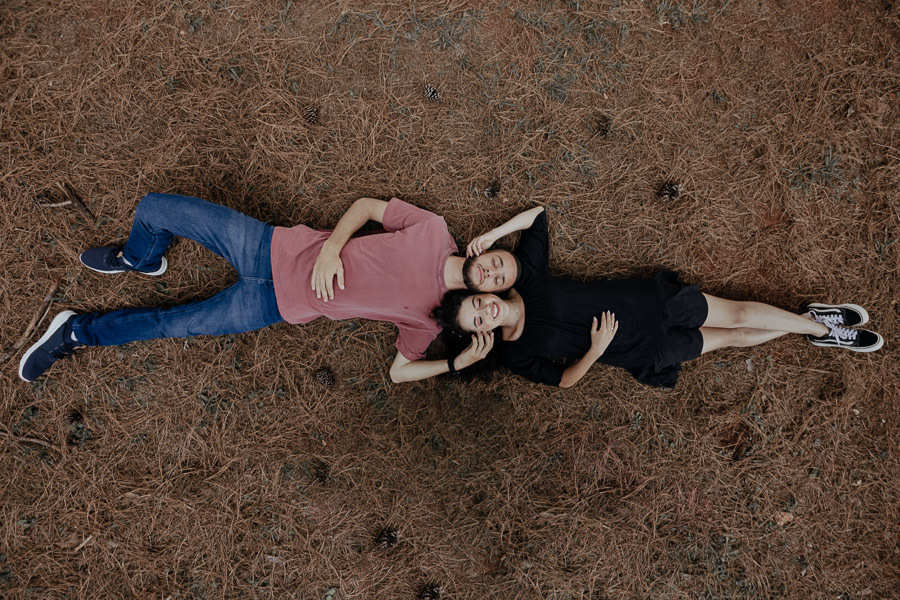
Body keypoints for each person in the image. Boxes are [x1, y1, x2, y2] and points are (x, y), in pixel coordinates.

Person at [18, 193, 543, 383]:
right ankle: (140, 257)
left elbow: (399, 372)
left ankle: (75, 333)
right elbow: (365, 206)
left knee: (170, 324)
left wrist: (456, 365)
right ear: (485, 254)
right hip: (270, 247)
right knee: (155, 208)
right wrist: (335, 247)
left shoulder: (428, 322)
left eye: (497, 292)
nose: (493, 280)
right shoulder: (432, 230)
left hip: (274, 303)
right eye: (498, 267)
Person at [432, 207, 883, 388]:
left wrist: (492, 235)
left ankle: (822, 327)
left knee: (739, 312)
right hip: (642, 349)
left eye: (476, 303)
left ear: (482, 293)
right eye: (478, 321)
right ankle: (815, 328)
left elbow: (538, 217)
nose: (484, 311)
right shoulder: (515, 354)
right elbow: (565, 381)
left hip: (649, 304)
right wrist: (595, 351)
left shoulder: (525, 280)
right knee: (735, 336)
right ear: (482, 333)